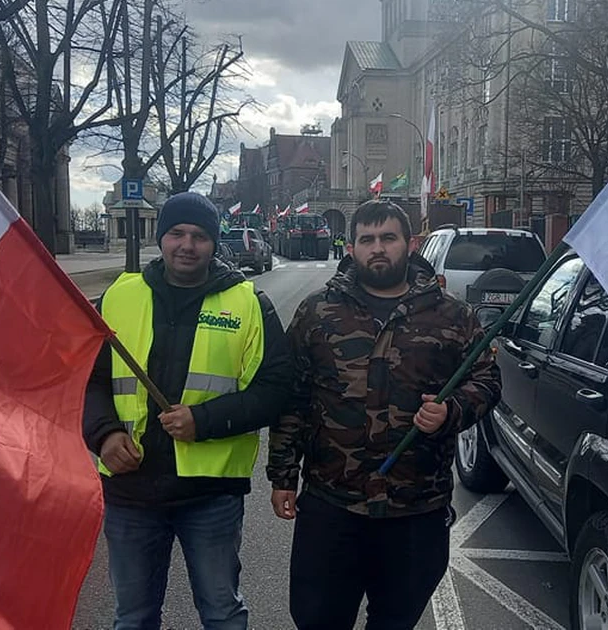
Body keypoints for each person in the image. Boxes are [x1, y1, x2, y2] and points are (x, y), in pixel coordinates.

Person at [267, 200, 501, 630]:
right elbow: (293, 396)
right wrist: (283, 474)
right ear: (352, 247)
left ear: (410, 245)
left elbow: (487, 381)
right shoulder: (317, 311)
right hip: (332, 505)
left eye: (388, 238)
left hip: (415, 510)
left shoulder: (452, 315)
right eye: (367, 239)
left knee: (395, 621)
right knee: (316, 619)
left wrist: (451, 410)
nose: (378, 248)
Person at [83, 192, 292, 630]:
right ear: (161, 238)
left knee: (222, 613)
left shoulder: (249, 303)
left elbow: (276, 390)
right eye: (176, 233)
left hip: (210, 494)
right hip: (131, 490)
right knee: (134, 617)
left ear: (215, 243)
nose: (187, 244)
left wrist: (204, 421)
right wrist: (103, 434)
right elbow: (88, 379)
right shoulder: (119, 298)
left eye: (199, 235)